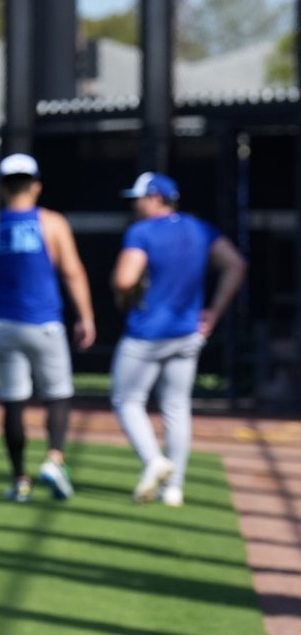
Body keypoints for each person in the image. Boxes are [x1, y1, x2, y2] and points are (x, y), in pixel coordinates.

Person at [0, 153, 95, 503]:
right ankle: (54, 457)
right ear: (36, 185)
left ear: (4, 187)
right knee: (58, 394)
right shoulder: (52, 223)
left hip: (4, 326)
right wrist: (87, 316)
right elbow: (73, 272)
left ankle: (20, 480)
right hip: (45, 325)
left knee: (14, 402)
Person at [111, 172, 246, 507]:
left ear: (155, 197)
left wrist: (124, 291)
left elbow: (124, 278)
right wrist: (213, 312)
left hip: (146, 333)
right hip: (188, 334)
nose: (136, 205)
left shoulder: (141, 232)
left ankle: (154, 461)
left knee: (126, 400)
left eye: (139, 198)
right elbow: (236, 265)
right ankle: (174, 489)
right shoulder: (199, 228)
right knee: (176, 407)